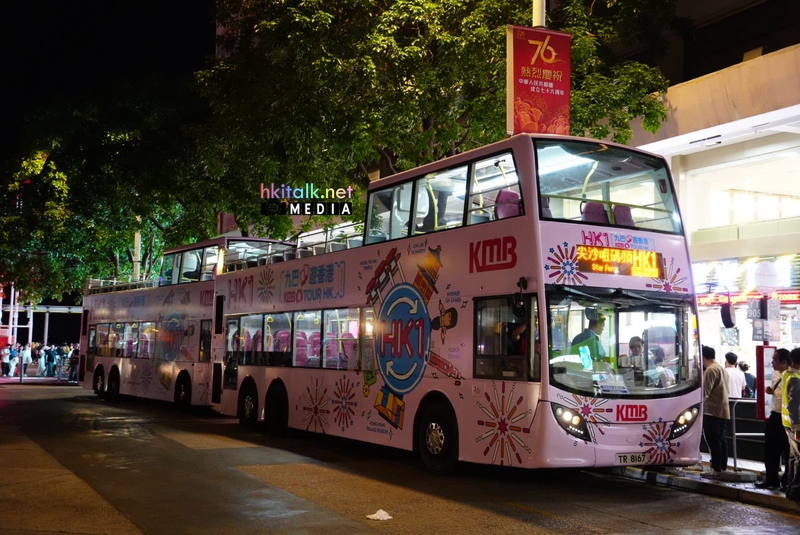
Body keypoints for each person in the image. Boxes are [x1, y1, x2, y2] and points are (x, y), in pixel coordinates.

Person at [757, 348, 791, 490]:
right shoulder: (776, 375)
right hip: (775, 416)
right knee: (770, 450)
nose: (772, 362)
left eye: (775, 359)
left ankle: (787, 481)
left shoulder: (792, 376)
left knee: (789, 453)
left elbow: (788, 400)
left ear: (784, 362)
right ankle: (771, 480)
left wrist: (775, 394)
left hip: (789, 418)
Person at [702, 345, 730, 475]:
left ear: (703, 357)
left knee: (713, 440)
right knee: (721, 439)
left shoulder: (710, 370)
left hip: (711, 410)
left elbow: (705, 392)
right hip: (723, 409)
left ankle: (716, 468)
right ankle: (722, 467)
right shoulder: (722, 369)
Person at [782, 347, 800, 500]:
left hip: (787, 423)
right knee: (798, 458)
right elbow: (793, 406)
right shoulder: (795, 378)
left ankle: (790, 489)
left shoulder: (787, 374)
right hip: (795, 425)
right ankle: (796, 490)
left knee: (793, 457)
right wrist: (798, 427)